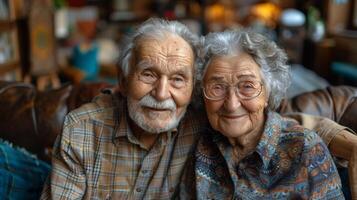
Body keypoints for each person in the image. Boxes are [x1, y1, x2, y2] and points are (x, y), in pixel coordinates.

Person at [40, 18, 354, 199]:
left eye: (178, 79)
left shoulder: (299, 148)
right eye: (148, 74)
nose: (162, 94)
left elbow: (267, 123)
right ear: (123, 79)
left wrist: (342, 139)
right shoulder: (83, 130)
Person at [181, 30, 345, 199]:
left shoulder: (306, 151)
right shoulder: (196, 137)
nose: (231, 105)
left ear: (268, 93)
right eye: (217, 87)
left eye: (247, 86)